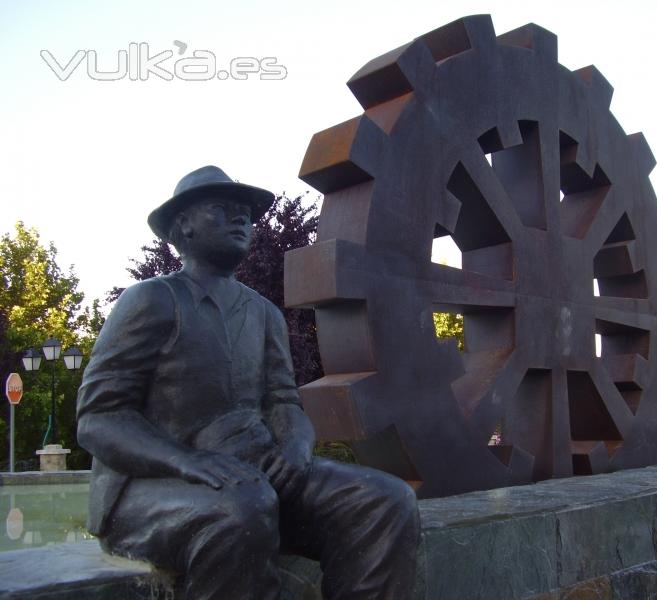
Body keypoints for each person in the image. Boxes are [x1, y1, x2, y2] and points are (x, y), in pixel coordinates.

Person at [76, 165, 420, 600]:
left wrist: (295, 449)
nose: (241, 219)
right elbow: (99, 418)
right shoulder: (152, 300)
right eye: (221, 209)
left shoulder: (263, 314)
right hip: (151, 488)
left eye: (245, 213)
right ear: (182, 225)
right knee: (242, 510)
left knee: (385, 501)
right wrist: (185, 461)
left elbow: (283, 402)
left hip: (253, 474)